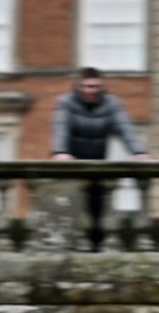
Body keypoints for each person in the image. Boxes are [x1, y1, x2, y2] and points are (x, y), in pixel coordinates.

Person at [50, 67, 147, 249]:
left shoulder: (112, 103)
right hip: (72, 167)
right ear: (78, 87)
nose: (92, 90)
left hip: (97, 167)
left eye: (96, 86)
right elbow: (60, 128)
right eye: (87, 86)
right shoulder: (65, 103)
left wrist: (138, 151)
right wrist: (60, 151)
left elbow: (125, 127)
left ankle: (96, 249)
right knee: (70, 210)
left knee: (97, 212)